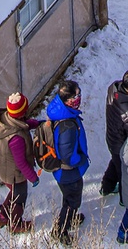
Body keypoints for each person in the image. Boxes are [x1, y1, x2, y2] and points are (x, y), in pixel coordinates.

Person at [46, 82, 90, 242]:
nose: (79, 98)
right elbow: (68, 156)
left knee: (69, 197)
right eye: (76, 96)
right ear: (68, 100)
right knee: (72, 201)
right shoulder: (67, 125)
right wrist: (82, 159)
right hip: (68, 172)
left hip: (63, 172)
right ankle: (60, 230)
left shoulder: (62, 112)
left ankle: (70, 218)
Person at [0, 92, 39, 233]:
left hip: (4, 168)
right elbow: (21, 162)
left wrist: (36, 124)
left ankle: (2, 217)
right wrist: (33, 177)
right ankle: (15, 224)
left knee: (13, 194)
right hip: (14, 174)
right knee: (19, 198)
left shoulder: (6, 120)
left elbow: (22, 124)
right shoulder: (16, 139)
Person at [100, 69, 128, 198]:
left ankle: (106, 187)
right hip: (122, 145)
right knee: (124, 173)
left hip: (112, 138)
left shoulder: (114, 89)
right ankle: (124, 198)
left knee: (115, 162)